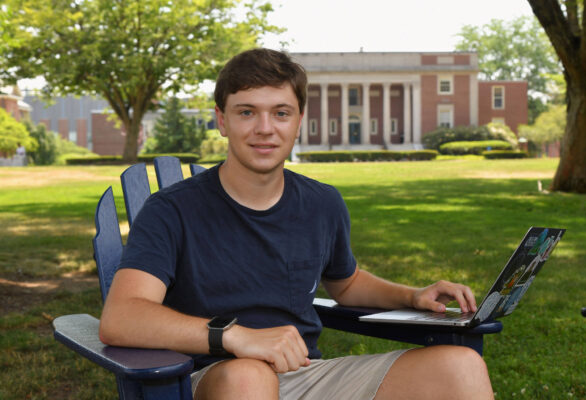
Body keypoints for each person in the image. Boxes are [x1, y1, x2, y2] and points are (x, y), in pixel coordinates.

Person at [99, 48, 494, 400]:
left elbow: (346, 282)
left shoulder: (322, 203)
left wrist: (412, 296)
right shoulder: (171, 210)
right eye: (247, 112)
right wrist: (235, 336)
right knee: (249, 377)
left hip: (305, 375)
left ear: (298, 121)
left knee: (460, 366)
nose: (265, 128)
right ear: (222, 121)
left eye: (281, 113)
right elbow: (122, 318)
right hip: (214, 377)